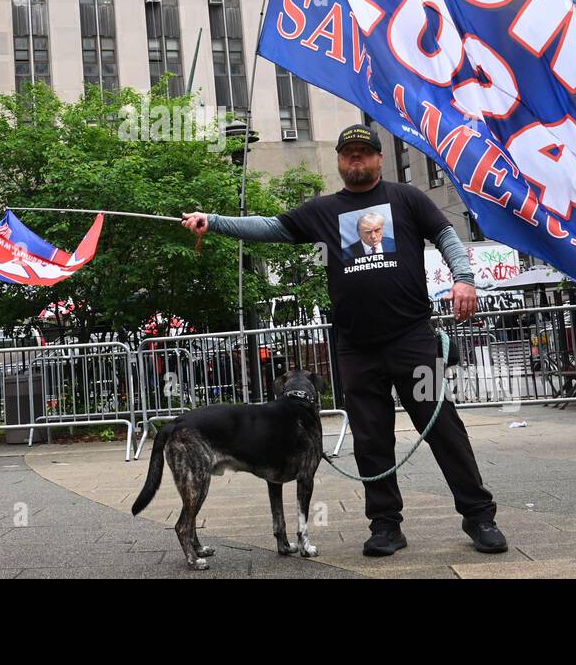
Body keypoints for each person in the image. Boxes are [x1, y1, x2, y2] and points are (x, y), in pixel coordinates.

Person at [182, 123, 508, 557]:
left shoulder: (406, 198)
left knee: (443, 426)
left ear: (376, 159)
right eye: (349, 153)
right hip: (357, 349)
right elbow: (269, 227)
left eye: (364, 153)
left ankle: (479, 516)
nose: (356, 159)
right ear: (339, 161)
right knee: (371, 438)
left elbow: (446, 234)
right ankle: (386, 527)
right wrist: (215, 221)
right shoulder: (324, 210)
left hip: (413, 339)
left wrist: (463, 279)